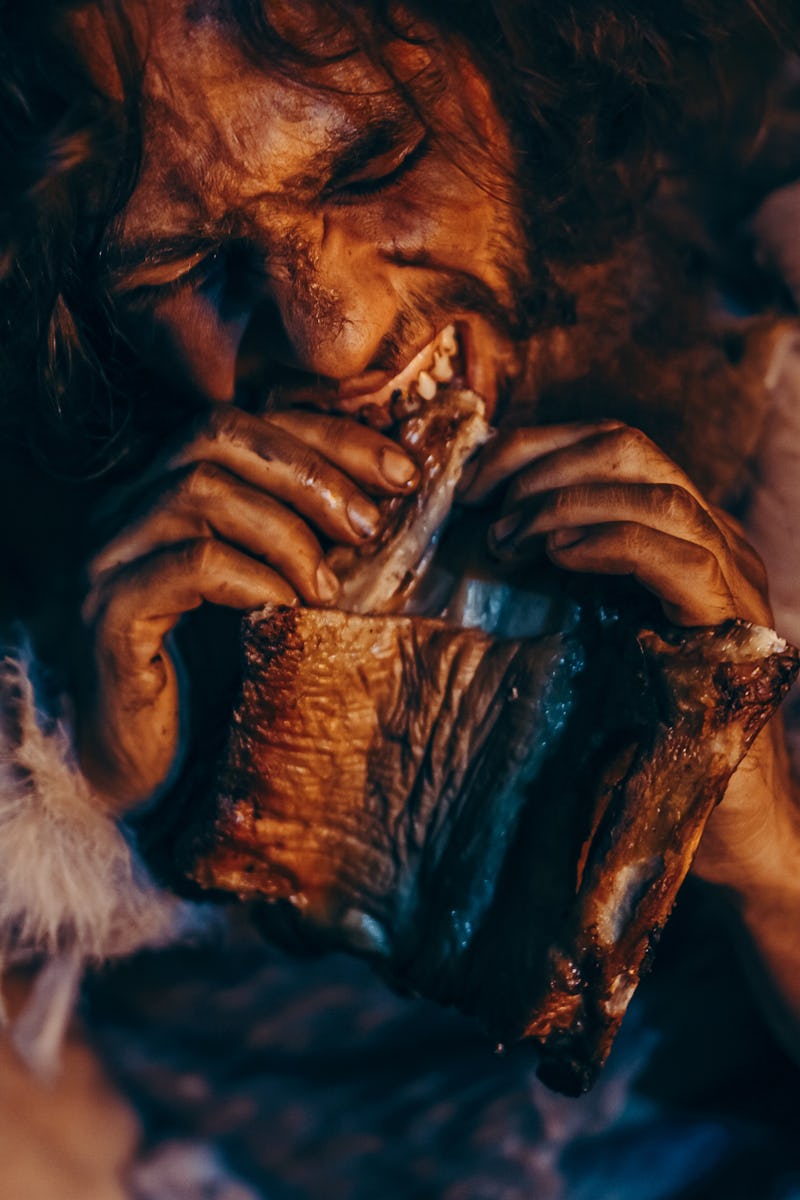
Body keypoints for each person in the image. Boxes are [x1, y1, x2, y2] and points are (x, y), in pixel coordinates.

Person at [2, 0, 800, 1193]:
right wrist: (85, 794)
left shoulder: (762, 352)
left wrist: (768, 863)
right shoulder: (71, 495)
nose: (331, 339)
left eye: (374, 164)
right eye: (180, 260)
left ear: (521, 73)